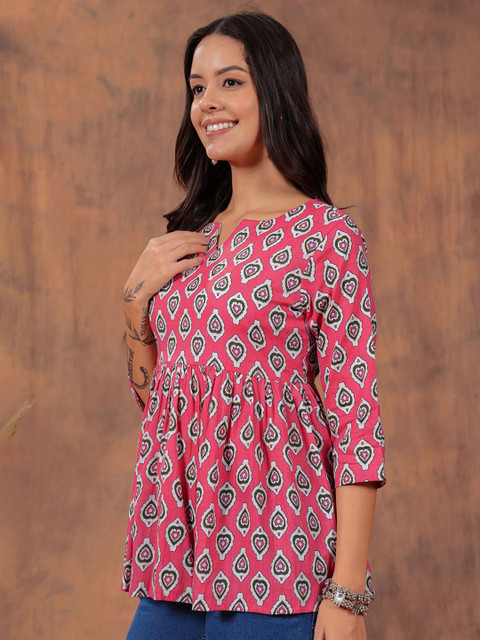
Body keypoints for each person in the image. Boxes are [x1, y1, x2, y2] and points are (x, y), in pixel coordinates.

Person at [120, 10, 386, 640]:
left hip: (278, 562)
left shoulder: (326, 237)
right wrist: (134, 308)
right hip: (177, 561)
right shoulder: (188, 242)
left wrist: (346, 596)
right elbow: (165, 411)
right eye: (197, 87)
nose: (207, 102)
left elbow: (357, 421)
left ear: (276, 90)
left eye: (230, 82)